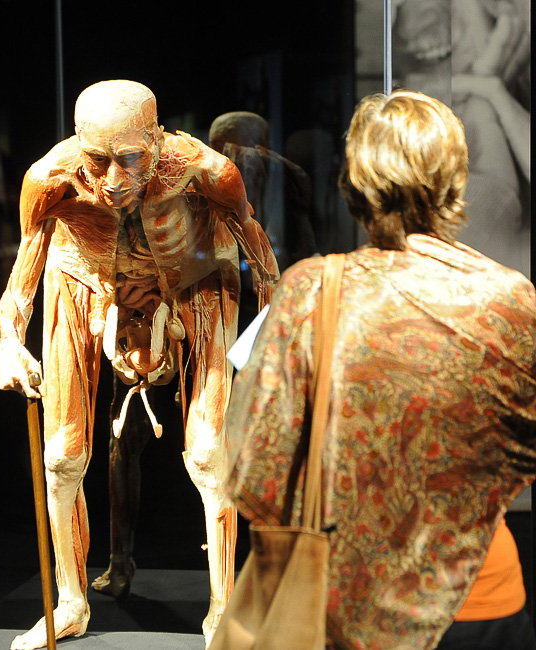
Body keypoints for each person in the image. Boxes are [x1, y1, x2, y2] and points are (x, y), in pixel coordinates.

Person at [224, 89, 536, 650]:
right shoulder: (511, 299)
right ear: (456, 181)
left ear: (350, 185)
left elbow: (255, 475)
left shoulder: (310, 291)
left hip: (343, 604)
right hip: (481, 600)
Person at [0, 79, 278, 650]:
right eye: (97, 160)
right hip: (85, 280)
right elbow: (18, 284)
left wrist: (266, 348)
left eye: (128, 159)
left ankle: (223, 609)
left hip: (192, 281)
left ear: (155, 139)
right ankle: (70, 601)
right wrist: (8, 343)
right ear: (79, 144)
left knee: (208, 454)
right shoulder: (49, 179)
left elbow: (262, 264)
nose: (112, 181)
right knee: (61, 457)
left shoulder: (206, 171)